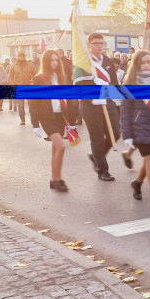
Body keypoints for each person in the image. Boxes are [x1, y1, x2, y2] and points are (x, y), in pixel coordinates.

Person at [74, 32, 123, 182]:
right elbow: (78, 85)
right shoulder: (84, 63)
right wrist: (93, 89)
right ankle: (103, 170)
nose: (99, 46)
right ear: (89, 45)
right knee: (97, 138)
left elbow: (114, 83)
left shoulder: (108, 61)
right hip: (90, 104)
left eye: (101, 43)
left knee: (115, 133)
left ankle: (97, 156)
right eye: (95, 43)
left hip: (107, 101)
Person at [121, 51, 150, 211]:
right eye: (143, 63)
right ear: (136, 64)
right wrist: (127, 135)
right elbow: (125, 111)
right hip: (140, 127)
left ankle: (137, 183)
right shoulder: (130, 82)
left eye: (148, 62)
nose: (146, 65)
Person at [30, 48, 74, 192]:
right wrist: (35, 124)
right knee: (61, 146)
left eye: (57, 60)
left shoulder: (63, 78)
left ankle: (55, 179)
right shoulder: (39, 79)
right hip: (46, 117)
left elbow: (68, 100)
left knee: (56, 149)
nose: (54, 63)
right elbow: (33, 102)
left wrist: (71, 121)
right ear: (46, 61)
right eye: (52, 60)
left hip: (59, 117)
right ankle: (58, 180)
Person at [9, 51, 36, 124]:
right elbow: (10, 76)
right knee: (20, 105)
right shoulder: (13, 66)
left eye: (23, 55)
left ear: (25, 56)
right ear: (18, 56)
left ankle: (33, 120)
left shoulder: (30, 65)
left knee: (31, 104)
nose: (22, 56)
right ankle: (22, 119)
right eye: (20, 55)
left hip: (28, 86)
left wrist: (33, 83)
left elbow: (35, 75)